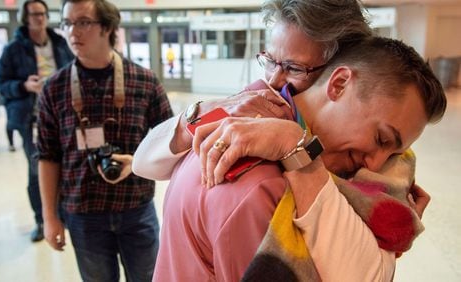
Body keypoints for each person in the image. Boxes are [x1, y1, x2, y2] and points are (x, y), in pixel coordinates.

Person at [153, 35, 446, 281]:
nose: (375, 164)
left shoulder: (238, 120)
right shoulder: (264, 185)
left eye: (394, 154)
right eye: (381, 139)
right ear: (340, 83)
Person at [133, 0, 429, 214]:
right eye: (271, 60)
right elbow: (144, 163)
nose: (274, 79)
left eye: (294, 67)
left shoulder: (365, 145)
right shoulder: (251, 107)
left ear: (338, 77)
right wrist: (201, 113)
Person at [37, 0, 173, 281]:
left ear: (108, 27)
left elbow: (170, 144)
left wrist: (136, 161)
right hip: (83, 213)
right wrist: (49, 217)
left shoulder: (144, 81)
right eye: (67, 23)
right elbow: (48, 156)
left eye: (83, 22)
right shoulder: (54, 88)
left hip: (136, 207)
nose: (73, 32)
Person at [0, 0, 74, 242]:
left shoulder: (60, 43)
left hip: (64, 115)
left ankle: (62, 214)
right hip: (32, 118)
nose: (40, 18)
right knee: (37, 170)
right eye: (34, 14)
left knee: (66, 166)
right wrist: (24, 85)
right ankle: (42, 219)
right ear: (25, 18)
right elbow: (0, 83)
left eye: (43, 13)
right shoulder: (13, 49)